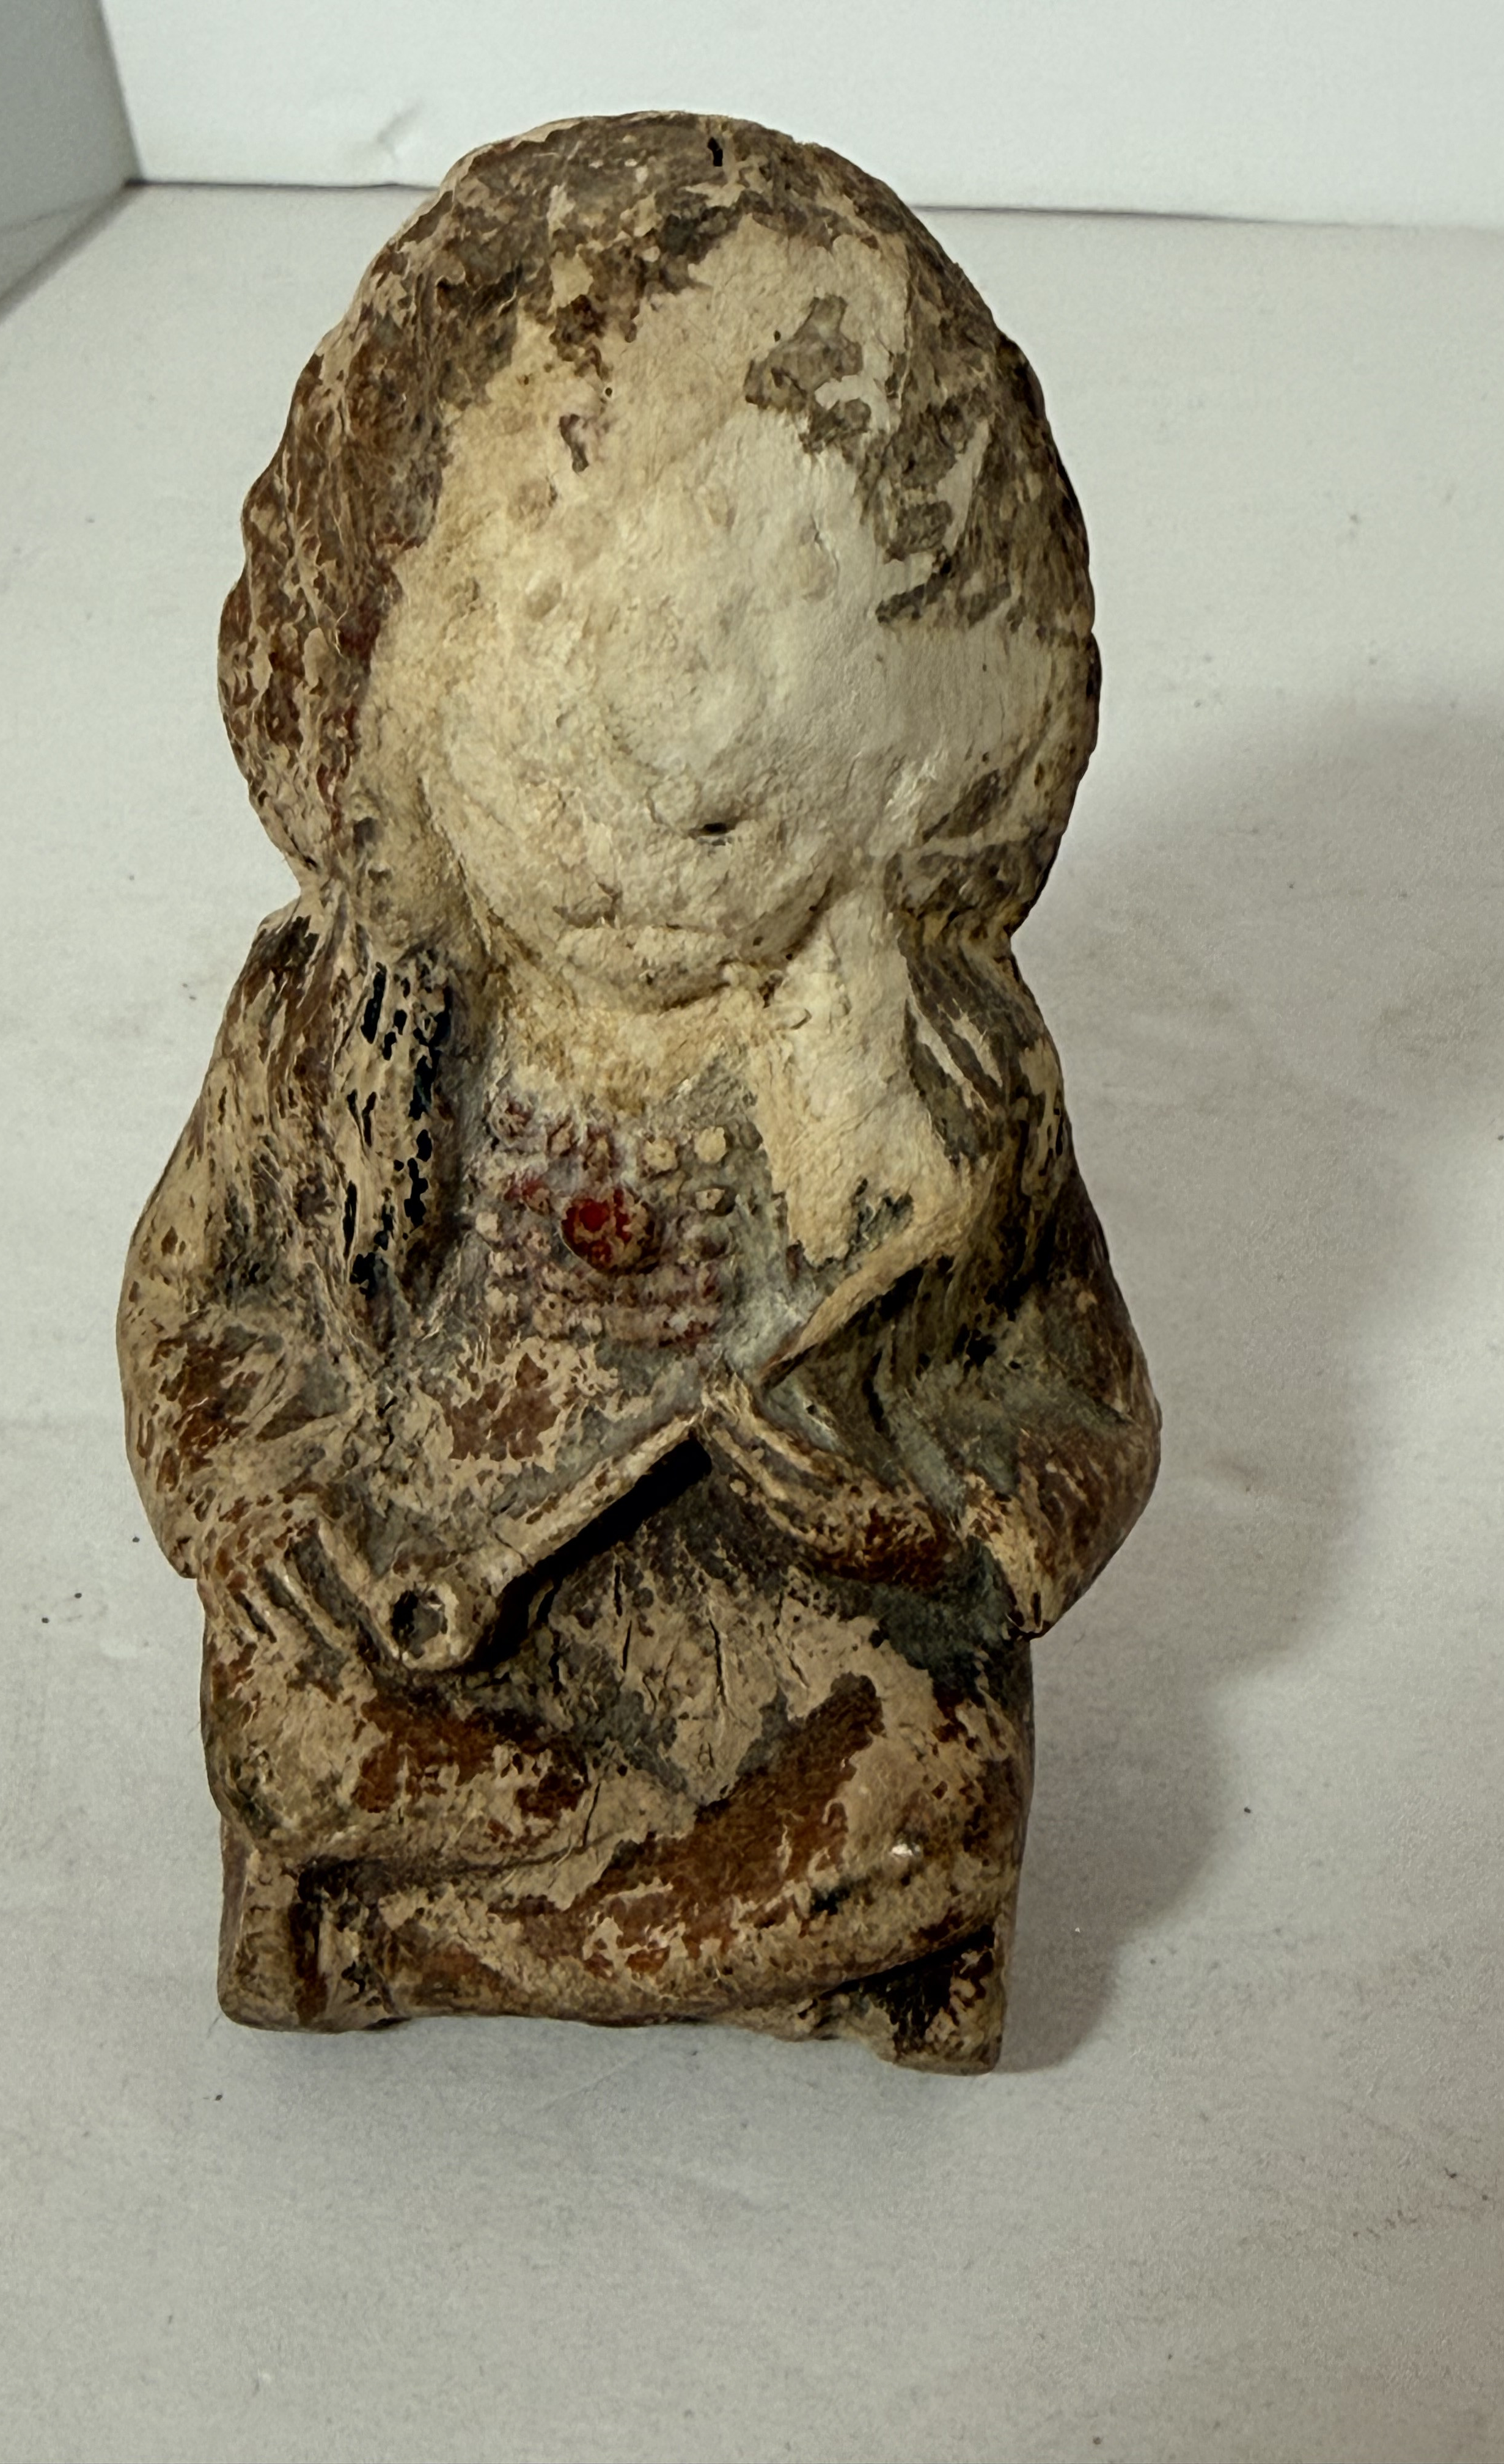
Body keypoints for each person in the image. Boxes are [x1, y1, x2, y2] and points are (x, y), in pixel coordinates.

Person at [119, 112, 1159, 2068]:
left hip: (792, 1639)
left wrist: (920, 1527)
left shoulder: (941, 1103)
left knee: (934, 1778)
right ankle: (699, 1923)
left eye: (721, 818)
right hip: (438, 1633)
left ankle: (448, 1941)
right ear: (401, 713)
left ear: (902, 775)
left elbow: (1082, 1401)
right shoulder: (337, 1040)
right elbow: (199, 1304)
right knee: (288, 1736)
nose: (613, 868)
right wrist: (253, 1503)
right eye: (536, 772)